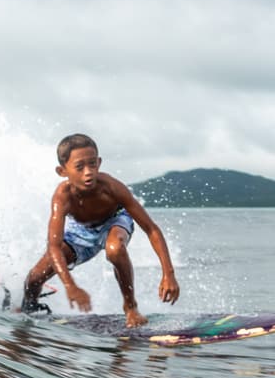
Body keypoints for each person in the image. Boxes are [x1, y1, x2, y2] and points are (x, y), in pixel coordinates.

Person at [19, 133, 179, 328]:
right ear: (62, 171)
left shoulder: (111, 187)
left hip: (115, 221)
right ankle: (29, 309)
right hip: (81, 231)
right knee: (34, 278)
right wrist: (70, 286)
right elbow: (54, 247)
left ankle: (131, 307)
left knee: (115, 249)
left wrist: (168, 274)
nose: (88, 172)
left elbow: (151, 229)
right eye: (80, 167)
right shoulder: (62, 197)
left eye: (92, 164)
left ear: (99, 163)